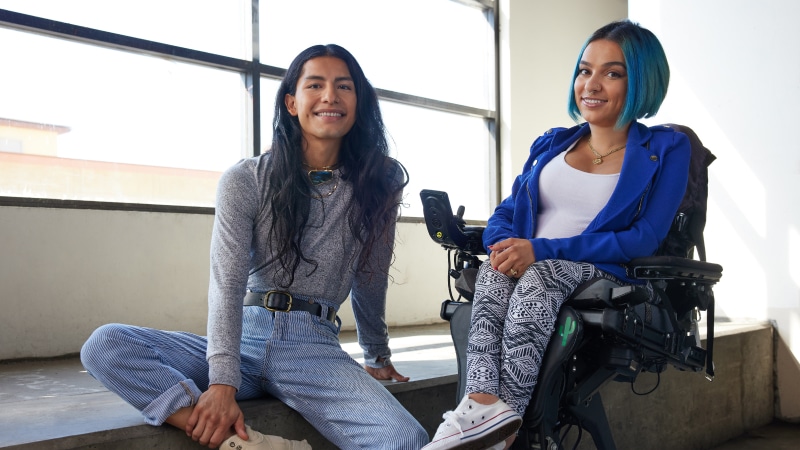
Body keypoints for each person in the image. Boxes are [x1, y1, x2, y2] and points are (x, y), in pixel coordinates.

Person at [80, 44, 429, 450]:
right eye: (315, 84)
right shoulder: (245, 179)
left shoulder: (376, 183)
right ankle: (240, 443)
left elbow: (370, 280)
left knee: (406, 439)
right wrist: (222, 381)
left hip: (311, 346)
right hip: (242, 337)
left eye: (344, 86)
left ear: (358, 101)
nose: (330, 96)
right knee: (106, 345)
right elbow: (225, 283)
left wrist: (377, 354)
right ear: (292, 102)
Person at [422, 20, 691, 450]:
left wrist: (540, 251)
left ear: (642, 81)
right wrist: (504, 245)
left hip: (599, 271)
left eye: (612, 73)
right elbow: (506, 212)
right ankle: (481, 408)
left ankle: (497, 436)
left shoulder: (667, 148)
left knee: (537, 278)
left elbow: (644, 236)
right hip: (528, 262)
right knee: (494, 273)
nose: (592, 84)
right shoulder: (552, 144)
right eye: (585, 70)